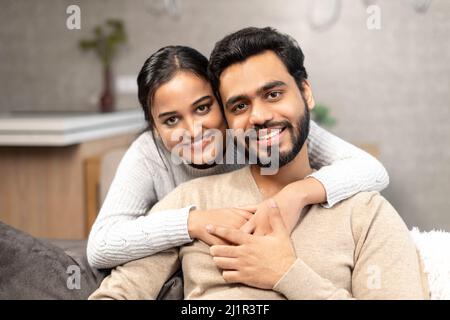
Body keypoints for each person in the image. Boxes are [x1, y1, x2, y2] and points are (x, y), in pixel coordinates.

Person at [0, 41, 387, 300]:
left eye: (204, 108)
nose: (193, 131)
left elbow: (371, 170)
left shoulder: (260, 130)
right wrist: (192, 223)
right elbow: (101, 246)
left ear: (222, 101)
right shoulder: (151, 157)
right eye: (170, 120)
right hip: (163, 264)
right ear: (154, 127)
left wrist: (295, 194)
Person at [89, 27, 428, 300]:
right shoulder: (190, 203)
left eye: (273, 94)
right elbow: (115, 284)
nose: (261, 117)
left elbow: (371, 169)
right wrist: (190, 223)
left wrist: (287, 273)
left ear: (306, 92)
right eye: (239, 106)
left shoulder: (367, 214)